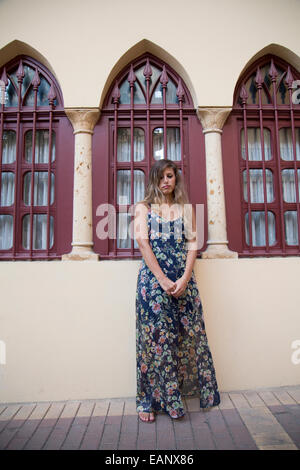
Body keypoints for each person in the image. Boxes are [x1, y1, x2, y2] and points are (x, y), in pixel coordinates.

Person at [134, 159, 220, 423]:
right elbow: (143, 243)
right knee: (155, 342)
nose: (165, 181)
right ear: (153, 181)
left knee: (187, 337)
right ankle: (149, 401)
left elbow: (194, 244)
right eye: (160, 177)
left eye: (169, 176)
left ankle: (179, 395)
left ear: (175, 178)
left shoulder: (186, 209)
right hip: (153, 284)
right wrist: (161, 279)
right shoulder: (143, 208)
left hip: (184, 282)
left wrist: (184, 278)